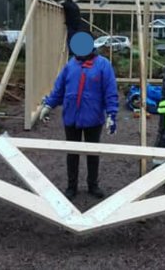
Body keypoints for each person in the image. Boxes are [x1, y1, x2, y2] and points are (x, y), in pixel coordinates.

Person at [39, 32, 118, 199]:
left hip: (93, 118)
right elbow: (59, 89)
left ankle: (93, 185)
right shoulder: (70, 65)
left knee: (93, 153)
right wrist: (48, 105)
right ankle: (71, 186)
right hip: (71, 118)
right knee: (72, 153)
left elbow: (110, 92)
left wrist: (112, 114)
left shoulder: (103, 65)